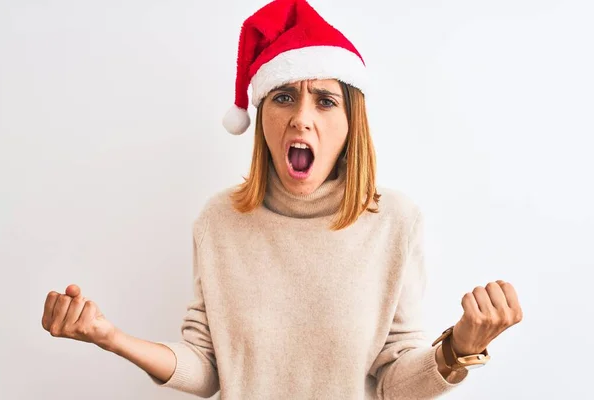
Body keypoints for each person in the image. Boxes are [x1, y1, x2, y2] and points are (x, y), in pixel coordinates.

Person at [41, 0, 523, 399]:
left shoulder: (395, 222)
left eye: (326, 100)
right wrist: (111, 338)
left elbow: (394, 382)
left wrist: (460, 348)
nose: (302, 119)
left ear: (351, 122)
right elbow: (207, 367)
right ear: (262, 114)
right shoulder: (220, 220)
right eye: (284, 97)